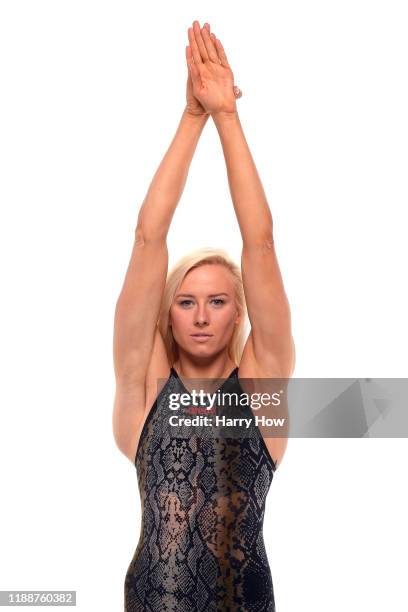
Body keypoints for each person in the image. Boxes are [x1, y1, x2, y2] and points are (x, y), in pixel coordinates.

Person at [112, 19, 295, 612]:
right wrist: (192, 119)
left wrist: (227, 118)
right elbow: (147, 239)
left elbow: (260, 244)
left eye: (217, 301)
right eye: (185, 301)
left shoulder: (262, 391)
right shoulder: (143, 392)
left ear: (238, 311)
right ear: (168, 314)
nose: (199, 316)